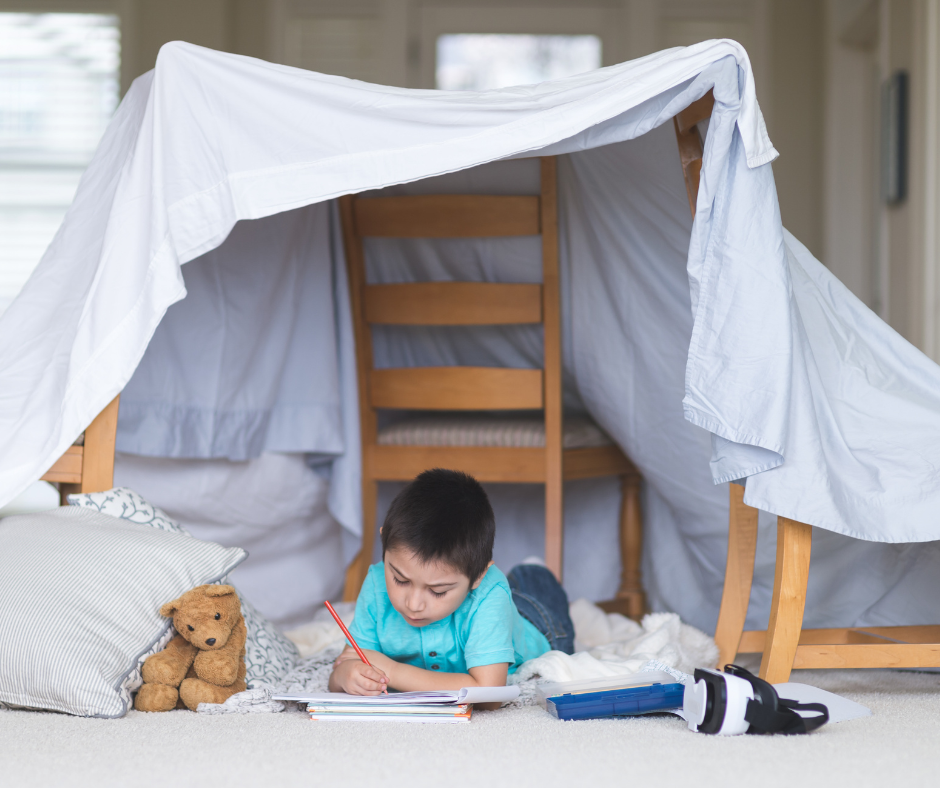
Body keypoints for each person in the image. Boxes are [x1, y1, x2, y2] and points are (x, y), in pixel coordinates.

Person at [328, 468, 575, 706]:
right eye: (400, 580)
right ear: (384, 543)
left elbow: (489, 694)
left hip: (538, 625)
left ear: (479, 576)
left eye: (438, 591)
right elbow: (347, 664)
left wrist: (392, 671)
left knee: (532, 583)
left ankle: (531, 571)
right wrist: (344, 676)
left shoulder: (488, 592)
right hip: (484, 603)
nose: (413, 604)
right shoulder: (377, 580)